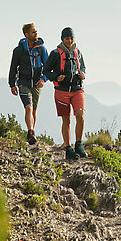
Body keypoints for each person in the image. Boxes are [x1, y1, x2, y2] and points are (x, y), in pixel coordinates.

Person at [44, 27, 87, 160]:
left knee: (80, 115)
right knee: (66, 120)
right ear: (62, 39)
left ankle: (78, 145)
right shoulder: (55, 54)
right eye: (67, 38)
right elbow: (46, 71)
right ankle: (68, 149)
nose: (69, 40)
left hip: (77, 89)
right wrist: (56, 77)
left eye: (71, 38)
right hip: (61, 91)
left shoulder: (78, 52)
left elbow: (83, 67)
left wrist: (83, 74)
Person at [8, 23, 48, 145]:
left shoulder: (41, 48)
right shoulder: (18, 50)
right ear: (26, 34)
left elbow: (47, 66)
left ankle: (31, 133)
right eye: (33, 32)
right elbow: (13, 67)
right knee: (28, 107)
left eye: (36, 31)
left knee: (34, 110)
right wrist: (12, 84)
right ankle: (31, 132)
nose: (36, 33)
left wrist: (43, 79)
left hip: (37, 83)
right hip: (23, 82)